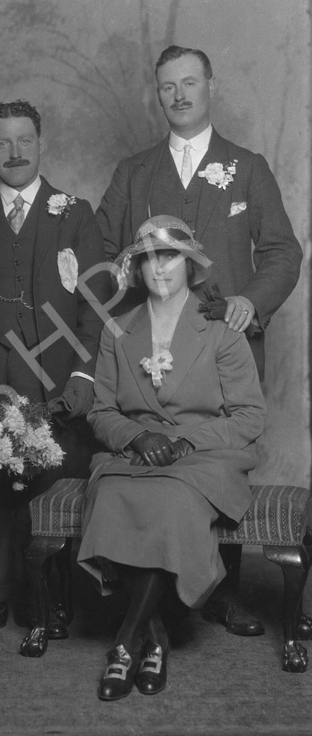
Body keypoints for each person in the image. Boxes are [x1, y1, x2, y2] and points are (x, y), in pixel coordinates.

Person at [96, 45, 302, 636]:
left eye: (189, 83)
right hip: (154, 348)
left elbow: (283, 253)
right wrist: (125, 273)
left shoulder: (248, 167)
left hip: (224, 343)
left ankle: (219, 590)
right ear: (157, 94)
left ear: (211, 86)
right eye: (167, 87)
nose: (179, 95)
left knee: (214, 454)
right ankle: (149, 592)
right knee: (155, 452)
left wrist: (251, 301)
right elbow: (105, 249)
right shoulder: (134, 172)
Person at [77, 215, 266, 700]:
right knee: (116, 492)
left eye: (170, 257)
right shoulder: (116, 330)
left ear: (191, 264)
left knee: (170, 500)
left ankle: (125, 642)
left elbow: (248, 416)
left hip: (205, 455)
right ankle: (155, 638)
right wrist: (137, 437)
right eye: (148, 259)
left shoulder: (221, 330)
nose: (159, 268)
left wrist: (186, 444)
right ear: (136, 269)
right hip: (135, 454)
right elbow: (101, 410)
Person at [0, 99, 111, 641]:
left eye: (24, 140)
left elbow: (93, 310)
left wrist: (83, 376)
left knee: (54, 480)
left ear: (41, 144)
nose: (14, 152)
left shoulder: (75, 212)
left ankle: (54, 597)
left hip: (55, 376)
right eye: (1, 142)